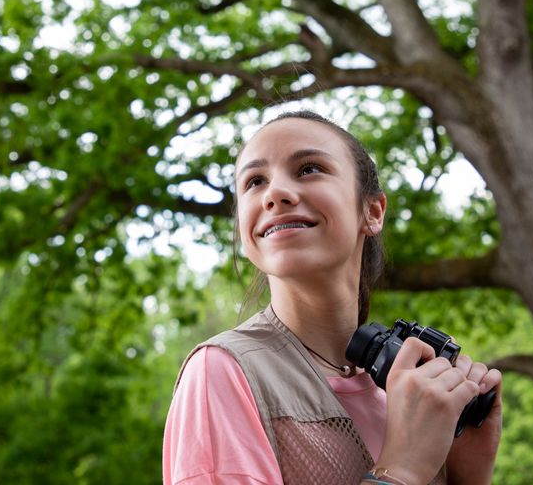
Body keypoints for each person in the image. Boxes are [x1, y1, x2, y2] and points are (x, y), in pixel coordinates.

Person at [162, 110, 502, 485]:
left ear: (372, 211)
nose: (274, 193)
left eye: (308, 169)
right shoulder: (223, 371)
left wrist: (466, 477)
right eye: (255, 181)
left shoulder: (410, 391)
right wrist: (401, 470)